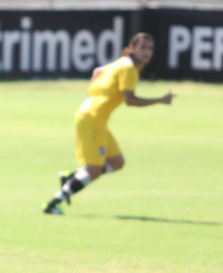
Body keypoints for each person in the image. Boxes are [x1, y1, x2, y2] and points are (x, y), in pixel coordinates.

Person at [42, 32, 174, 215]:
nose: (146, 52)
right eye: (142, 47)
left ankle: (73, 178)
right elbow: (130, 100)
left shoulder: (121, 63)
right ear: (132, 48)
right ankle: (53, 204)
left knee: (117, 162)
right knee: (94, 170)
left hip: (95, 118)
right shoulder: (129, 69)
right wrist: (160, 100)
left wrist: (92, 97)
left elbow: (97, 71)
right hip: (93, 119)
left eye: (150, 48)